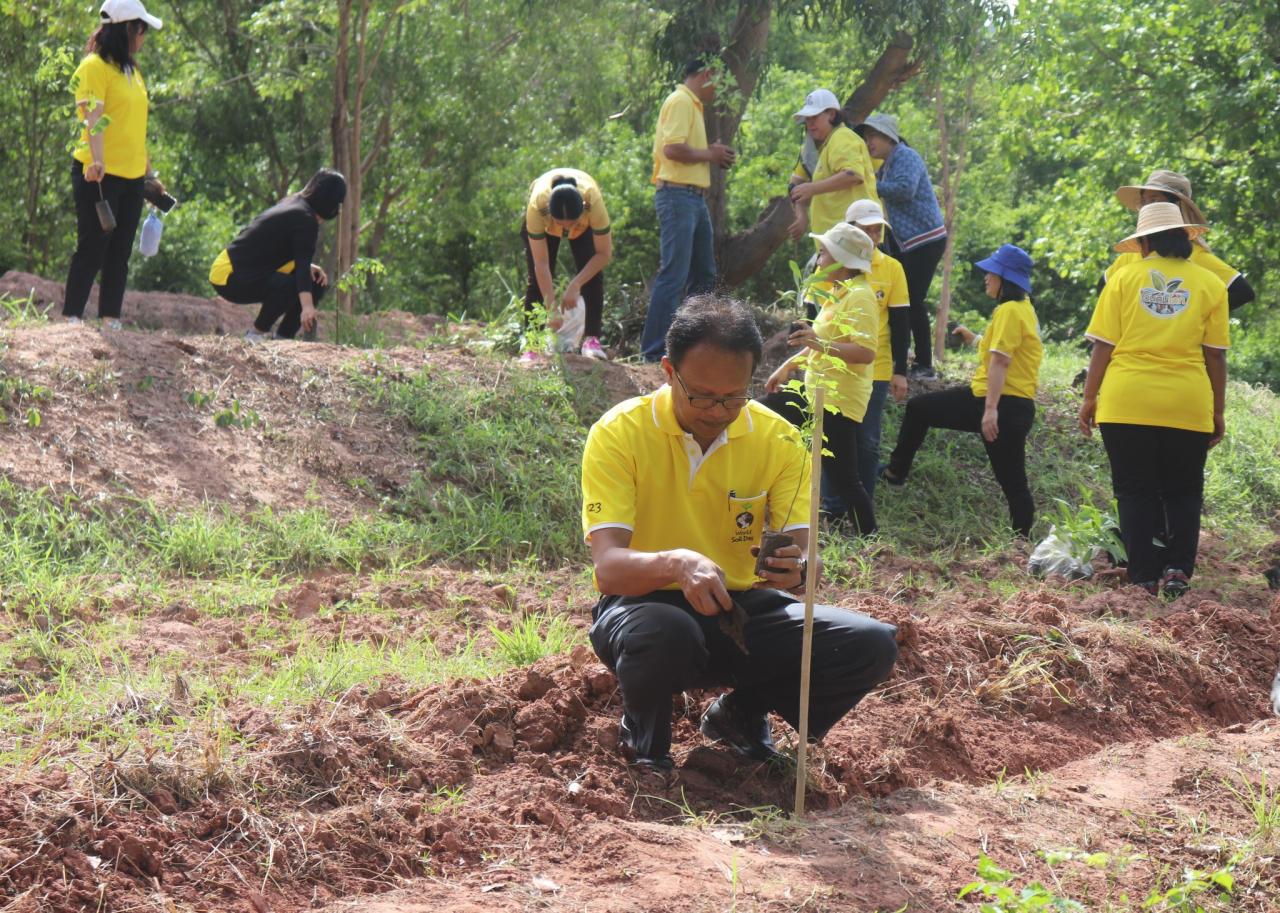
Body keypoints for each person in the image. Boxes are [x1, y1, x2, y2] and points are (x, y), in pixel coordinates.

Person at [582, 296, 898, 770]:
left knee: (869, 643)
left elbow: (800, 562)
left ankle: (741, 713)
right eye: (703, 396)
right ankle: (645, 740)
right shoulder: (620, 433)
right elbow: (609, 570)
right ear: (668, 371)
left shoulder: (780, 439)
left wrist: (797, 570)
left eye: (734, 397)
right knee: (665, 629)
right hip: (643, 605)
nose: (718, 411)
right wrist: (678, 563)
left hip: (740, 609)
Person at [1078, 202, 1228, 599]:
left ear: (1144, 242)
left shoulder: (1124, 279)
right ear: (1185, 237)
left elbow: (1103, 346)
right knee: (1183, 491)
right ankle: (1177, 570)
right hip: (1187, 402)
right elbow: (1215, 354)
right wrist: (1217, 411)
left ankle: (1143, 576)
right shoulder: (1211, 284)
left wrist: (1089, 398)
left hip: (1126, 401)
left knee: (1134, 490)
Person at [882, 244, 1043, 538]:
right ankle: (895, 472)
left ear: (1004, 278)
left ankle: (1021, 542)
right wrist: (974, 338)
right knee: (920, 409)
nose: (986, 278)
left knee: (1013, 480)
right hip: (1006, 403)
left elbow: (1001, 360)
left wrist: (990, 410)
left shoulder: (1009, 310)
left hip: (999, 404)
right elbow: (1003, 348)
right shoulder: (1023, 309)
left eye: (991, 273)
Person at [763, 223, 879, 536]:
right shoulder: (836, 295)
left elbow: (866, 352)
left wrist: (818, 344)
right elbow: (818, 343)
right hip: (815, 392)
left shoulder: (861, 297)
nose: (818, 260)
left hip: (837, 400)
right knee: (761, 413)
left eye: (824, 253)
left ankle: (869, 536)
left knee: (844, 478)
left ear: (842, 260)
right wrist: (787, 366)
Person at [62, 0, 165, 330]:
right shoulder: (94, 67)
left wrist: (150, 175)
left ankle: (110, 319)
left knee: (120, 251)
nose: (144, 36)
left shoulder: (133, 72)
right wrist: (97, 160)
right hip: (98, 173)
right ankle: (72, 317)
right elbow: (94, 118)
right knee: (93, 246)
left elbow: (134, 127)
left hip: (133, 176)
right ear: (128, 28)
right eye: (142, 29)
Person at [639, 57, 737, 362]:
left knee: (704, 274)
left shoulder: (692, 103)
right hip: (677, 195)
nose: (718, 89)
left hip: (692, 198)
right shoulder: (681, 100)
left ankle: (692, 346)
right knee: (675, 274)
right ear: (707, 74)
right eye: (718, 81)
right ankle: (654, 351)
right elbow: (672, 149)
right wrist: (710, 153)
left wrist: (710, 153)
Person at [855, 113, 947, 378]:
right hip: (911, 242)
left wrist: (871, 183)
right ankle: (907, 359)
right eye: (866, 136)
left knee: (912, 299)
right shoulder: (886, 165)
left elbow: (905, 189)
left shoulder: (905, 156)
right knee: (905, 299)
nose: (869, 142)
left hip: (926, 238)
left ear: (888, 137)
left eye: (873, 136)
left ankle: (925, 364)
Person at [209, 169, 347, 341]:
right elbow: (301, 266)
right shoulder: (305, 218)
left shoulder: (297, 205)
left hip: (244, 270)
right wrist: (307, 307)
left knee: (316, 282)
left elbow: (273, 249)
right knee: (291, 286)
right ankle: (254, 335)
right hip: (230, 274)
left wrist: (307, 268)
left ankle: (283, 338)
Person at [1102, 170, 1254, 312]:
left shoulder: (1196, 256)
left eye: (1154, 200)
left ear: (1177, 206)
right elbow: (1103, 286)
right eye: (1144, 201)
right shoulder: (1133, 254)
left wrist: (1192, 315)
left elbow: (1243, 292)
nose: (1147, 207)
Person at [844, 199, 910, 501]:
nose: (873, 236)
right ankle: (832, 505)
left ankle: (863, 507)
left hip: (876, 368)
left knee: (867, 440)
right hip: (838, 366)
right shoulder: (834, 263)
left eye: (877, 230)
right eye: (866, 230)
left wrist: (900, 371)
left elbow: (900, 322)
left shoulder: (892, 268)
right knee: (834, 437)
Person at [521, 168, 613, 361]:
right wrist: (551, 308)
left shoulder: (593, 202)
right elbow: (541, 263)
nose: (566, 228)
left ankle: (592, 339)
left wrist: (576, 284)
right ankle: (532, 345)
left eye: (571, 222)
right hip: (545, 226)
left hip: (585, 227)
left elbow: (603, 254)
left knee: (592, 274)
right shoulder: (538, 205)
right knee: (536, 281)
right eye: (560, 223)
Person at [787, 90, 878, 248]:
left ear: (831, 114)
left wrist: (813, 188)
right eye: (807, 119)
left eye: (814, 117)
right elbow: (795, 186)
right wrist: (801, 215)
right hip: (836, 240)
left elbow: (853, 175)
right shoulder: (815, 149)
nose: (810, 124)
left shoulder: (842, 137)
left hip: (854, 236)